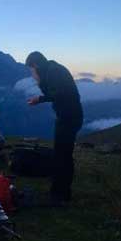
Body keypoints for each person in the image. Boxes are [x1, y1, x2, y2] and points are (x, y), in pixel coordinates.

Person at [25, 51, 83, 205]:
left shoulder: (54, 71)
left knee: (63, 155)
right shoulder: (52, 70)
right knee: (62, 154)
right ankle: (60, 191)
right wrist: (41, 85)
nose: (32, 74)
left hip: (69, 118)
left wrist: (40, 98)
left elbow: (60, 93)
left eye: (31, 70)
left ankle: (60, 195)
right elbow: (55, 92)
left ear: (36, 65)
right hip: (69, 116)